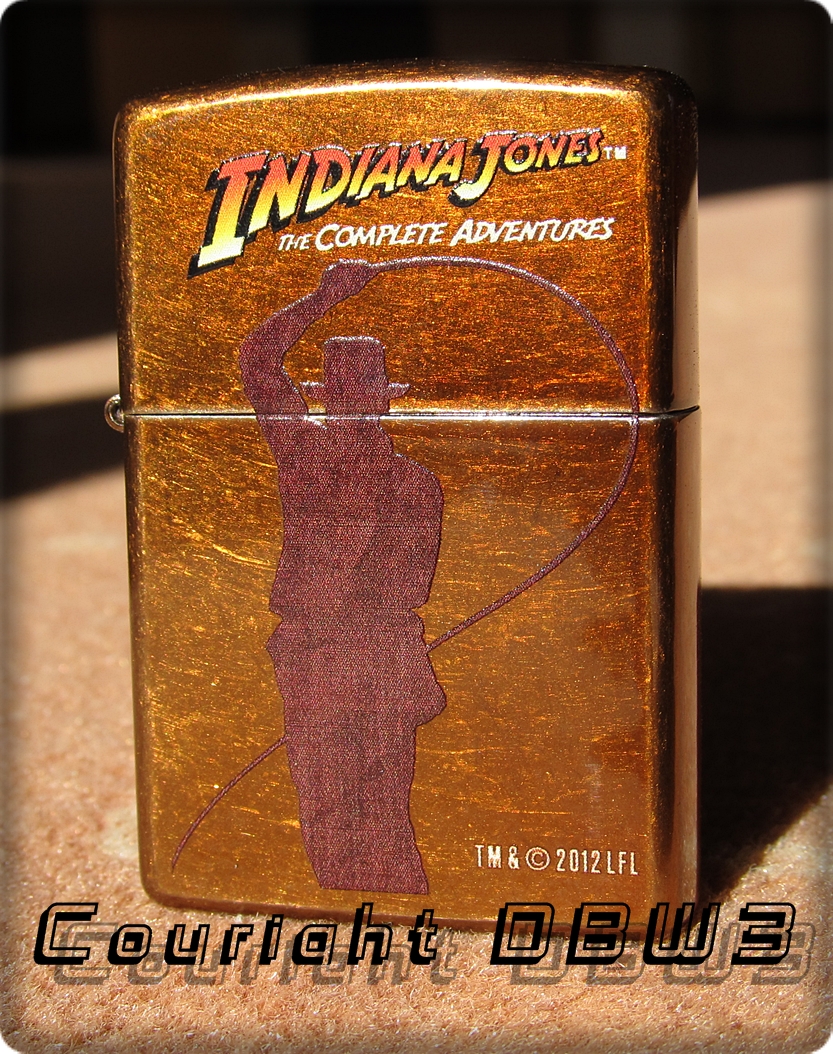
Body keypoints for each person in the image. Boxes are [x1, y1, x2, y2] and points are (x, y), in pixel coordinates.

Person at [238, 260, 445, 894]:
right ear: (330, 398)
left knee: (384, 800)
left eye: (361, 393)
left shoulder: (416, 483)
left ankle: (393, 895)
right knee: (328, 795)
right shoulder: (304, 452)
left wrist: (405, 660)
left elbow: (410, 591)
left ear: (380, 400)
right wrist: (322, 297)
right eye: (344, 393)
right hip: (317, 649)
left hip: (377, 650)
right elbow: (257, 360)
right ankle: (340, 895)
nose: (352, 405)